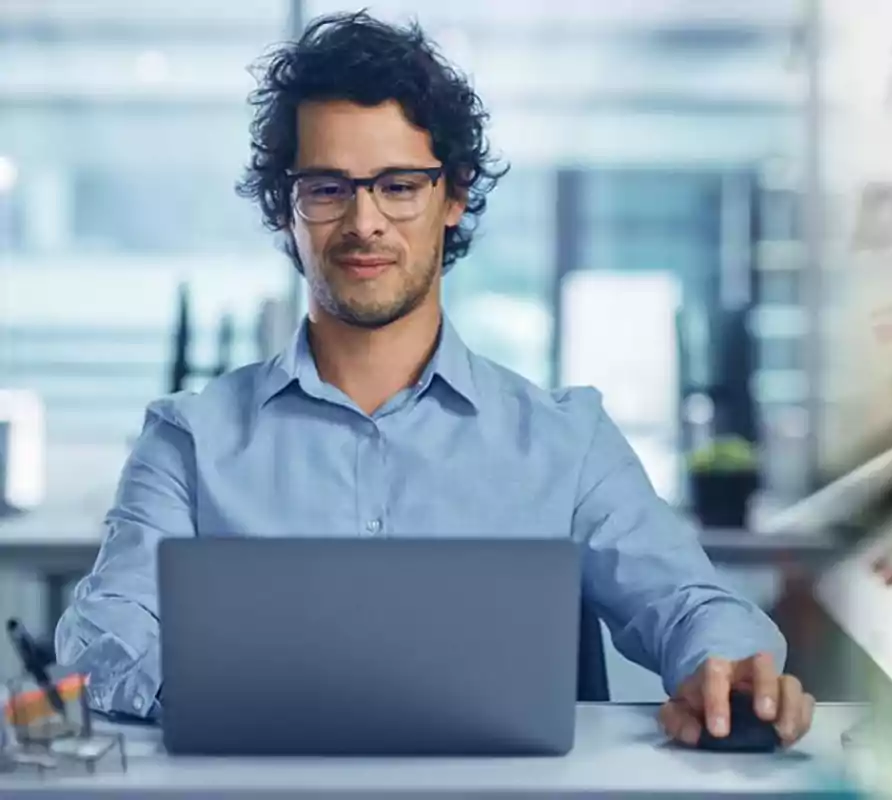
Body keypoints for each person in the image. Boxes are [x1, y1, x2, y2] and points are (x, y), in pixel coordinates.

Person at [55, 11, 813, 749]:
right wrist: (244, 694)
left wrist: (729, 671)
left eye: (398, 185)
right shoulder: (189, 440)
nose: (364, 222)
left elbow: (686, 604)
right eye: (326, 187)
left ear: (452, 195)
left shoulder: (565, 440)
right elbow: (105, 634)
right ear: (285, 209)